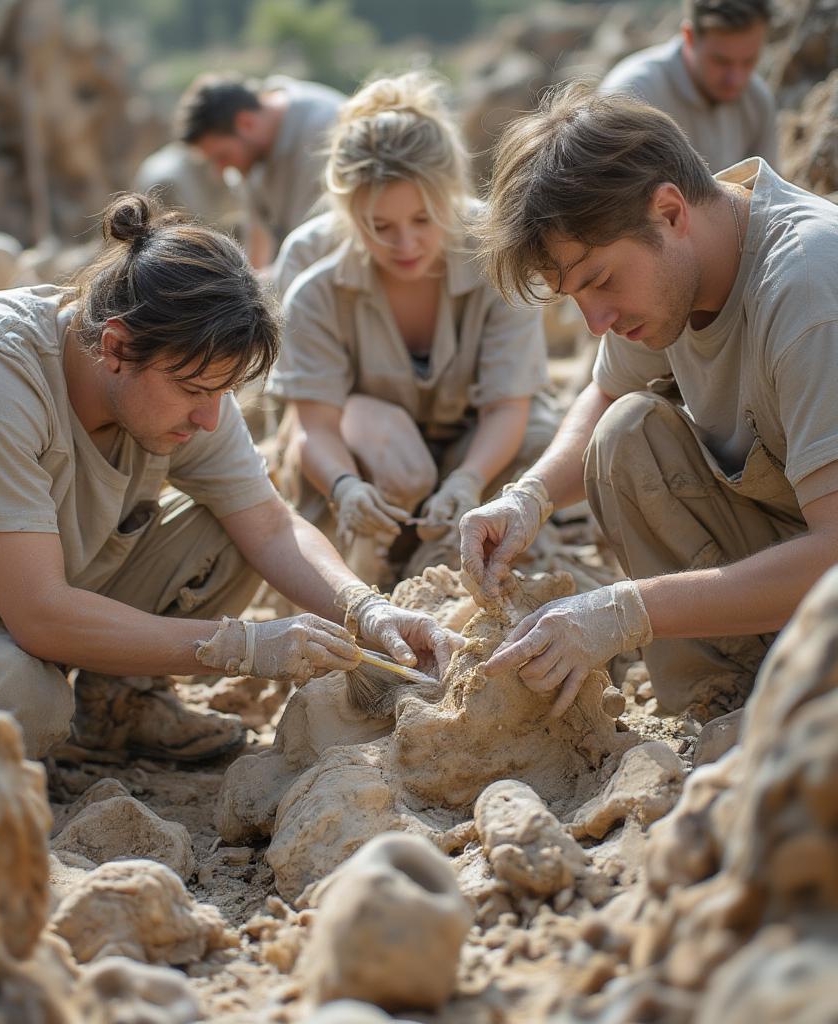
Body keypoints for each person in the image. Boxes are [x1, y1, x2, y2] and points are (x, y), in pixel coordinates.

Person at [0, 193, 459, 761]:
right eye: (195, 392)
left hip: (34, 576)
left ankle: (115, 709)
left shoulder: (181, 367)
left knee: (230, 538)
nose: (211, 417)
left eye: (225, 391)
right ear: (117, 347)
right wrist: (245, 646)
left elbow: (267, 521)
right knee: (20, 697)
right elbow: (38, 614)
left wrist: (368, 611)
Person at [460, 83, 838, 722]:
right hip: (802, 548)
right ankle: (720, 711)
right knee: (624, 434)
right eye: (576, 298)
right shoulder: (684, 269)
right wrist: (528, 498)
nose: (597, 322)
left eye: (601, 281)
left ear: (669, 211)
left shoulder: (807, 288)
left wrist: (625, 611)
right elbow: (606, 393)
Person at [267, 72, 556, 586]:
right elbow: (309, 421)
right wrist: (344, 487)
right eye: (380, 227)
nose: (405, 245)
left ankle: (464, 553)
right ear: (349, 212)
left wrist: (468, 481)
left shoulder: (494, 245)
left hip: (473, 439)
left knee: (539, 436)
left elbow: (508, 404)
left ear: (451, 196)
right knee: (396, 461)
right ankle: (350, 567)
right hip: (360, 448)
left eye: (423, 220)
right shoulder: (312, 266)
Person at [175, 73, 344, 266]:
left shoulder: (324, 132)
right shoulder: (250, 152)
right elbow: (257, 238)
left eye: (222, 157)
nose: (219, 170)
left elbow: (318, 249)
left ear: (245, 123)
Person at [600, 0, 776, 172]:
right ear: (689, 36)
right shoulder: (632, 96)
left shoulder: (757, 100)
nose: (735, 79)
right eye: (721, 61)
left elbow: (769, 194)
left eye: (749, 61)